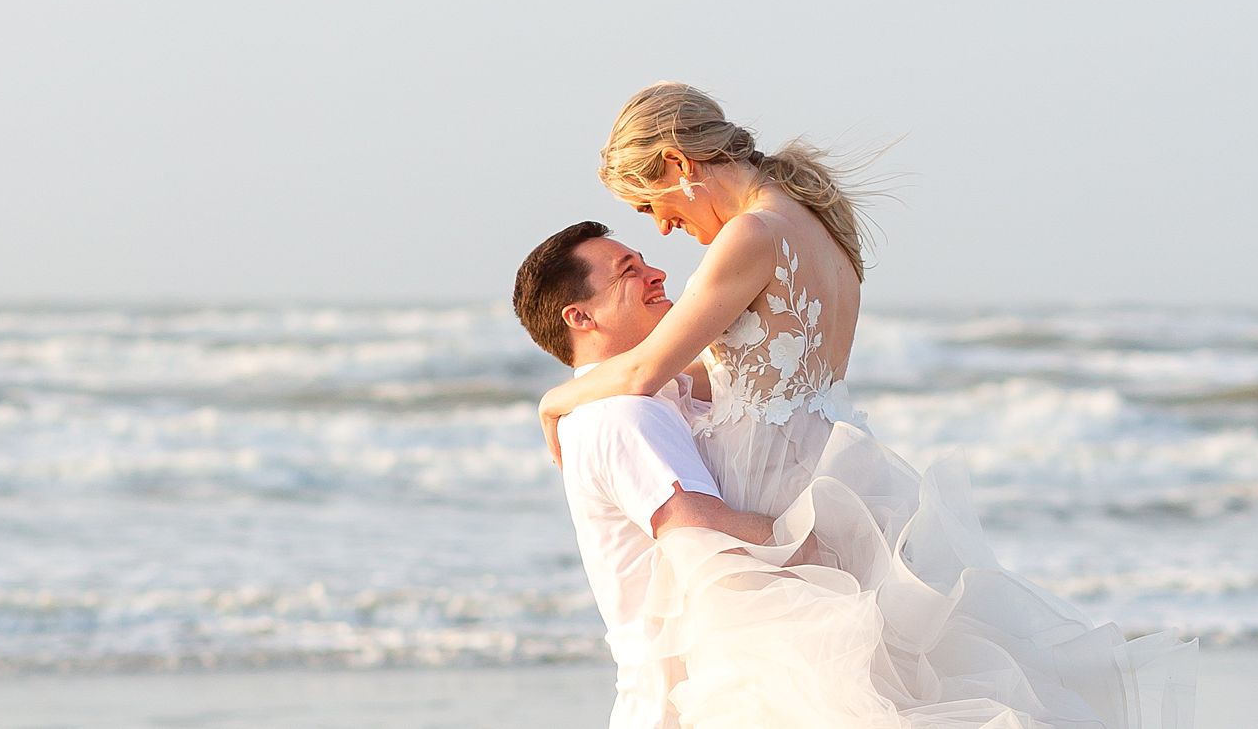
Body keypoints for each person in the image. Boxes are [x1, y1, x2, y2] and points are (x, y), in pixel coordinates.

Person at [536, 83, 1198, 729]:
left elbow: (649, 368)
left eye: (654, 203)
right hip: (835, 478)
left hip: (774, 500)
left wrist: (554, 399)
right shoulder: (820, 223)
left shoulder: (751, 235)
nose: (664, 226)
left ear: (679, 165)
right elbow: (751, 374)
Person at [512, 219, 780, 729]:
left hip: (710, 689)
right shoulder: (622, 416)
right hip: (683, 704)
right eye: (629, 271)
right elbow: (698, 529)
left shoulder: (657, 397)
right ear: (581, 316)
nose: (657, 273)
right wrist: (825, 541)